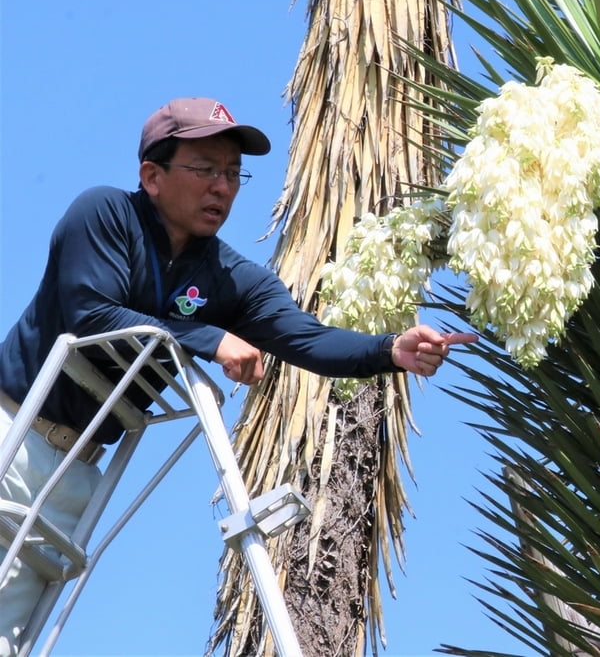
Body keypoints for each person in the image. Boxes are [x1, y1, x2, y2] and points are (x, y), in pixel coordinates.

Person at [0, 97, 477, 654]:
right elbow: (91, 312)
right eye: (204, 170)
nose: (222, 187)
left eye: (232, 173)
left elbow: (305, 337)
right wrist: (209, 338)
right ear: (152, 176)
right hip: (11, 432)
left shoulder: (230, 276)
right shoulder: (104, 215)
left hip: (78, 474)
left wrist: (390, 348)